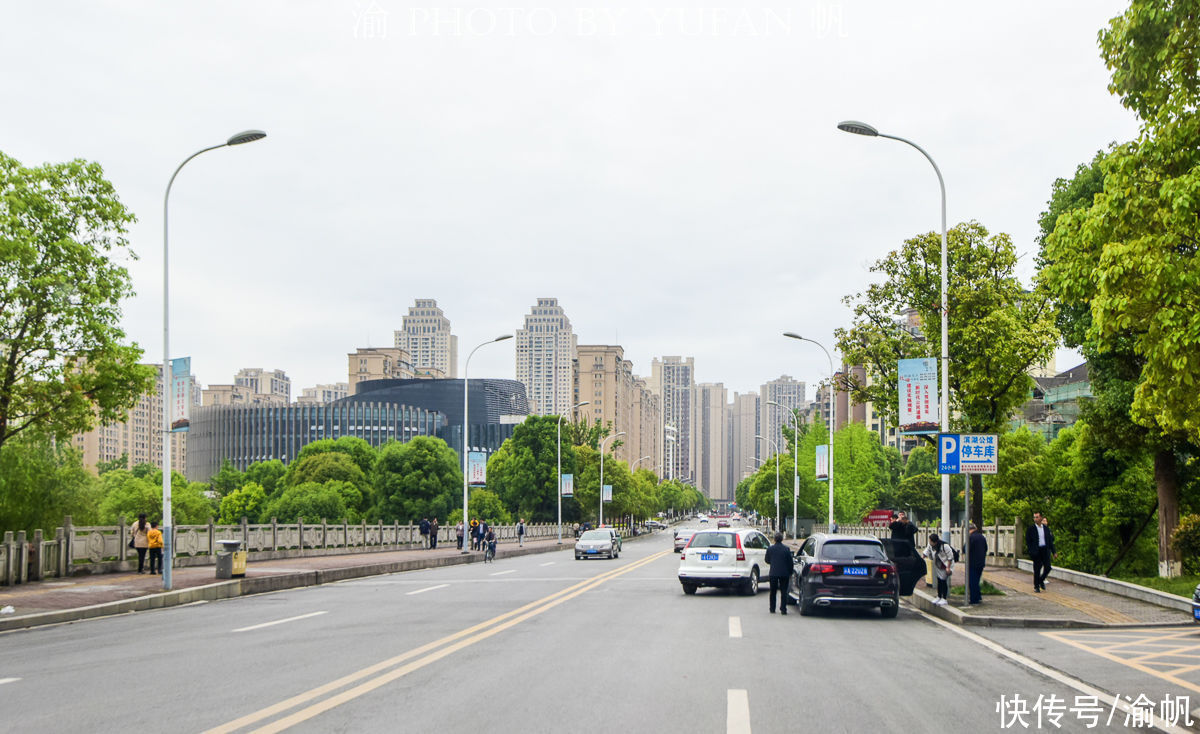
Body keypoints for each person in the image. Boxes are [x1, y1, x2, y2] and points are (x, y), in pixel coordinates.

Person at [1025, 511, 1056, 592]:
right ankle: (1036, 586)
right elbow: (1028, 541)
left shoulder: (1046, 529)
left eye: (1037, 517)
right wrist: (1031, 551)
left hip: (1045, 550)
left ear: (1041, 518)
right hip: (1036, 550)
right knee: (1037, 569)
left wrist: (1054, 552)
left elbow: (1050, 541)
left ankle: (1041, 580)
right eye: (1034, 517)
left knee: (1048, 567)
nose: (1035, 519)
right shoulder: (1031, 529)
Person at [764, 532, 795, 615]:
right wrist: (790, 572)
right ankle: (783, 609)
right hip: (784, 573)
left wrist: (773, 562)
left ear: (774, 539)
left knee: (773, 591)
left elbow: (766, 560)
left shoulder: (770, 549)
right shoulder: (786, 549)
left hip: (773, 573)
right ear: (782, 539)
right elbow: (790, 562)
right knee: (784, 591)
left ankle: (772, 608)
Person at [923, 534, 954, 606]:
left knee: (943, 581)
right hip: (938, 564)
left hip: (945, 565)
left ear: (935, 542)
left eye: (930, 541)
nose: (929, 542)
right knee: (939, 580)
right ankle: (939, 596)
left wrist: (948, 568)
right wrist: (922, 558)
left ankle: (944, 598)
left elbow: (950, 557)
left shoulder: (945, 546)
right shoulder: (930, 545)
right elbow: (926, 552)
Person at [967, 523, 988, 604]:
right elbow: (986, 548)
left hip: (972, 562)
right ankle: (978, 596)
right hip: (981, 562)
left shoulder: (971, 537)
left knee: (972, 581)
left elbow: (966, 549)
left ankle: (974, 599)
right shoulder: (982, 537)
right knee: (977, 580)